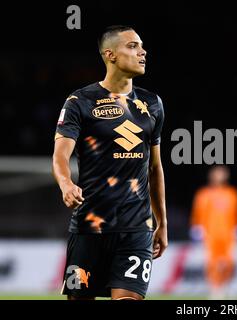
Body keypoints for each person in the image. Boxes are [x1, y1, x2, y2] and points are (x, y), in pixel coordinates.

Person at [52, 25, 168, 300]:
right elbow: (60, 155)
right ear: (111, 54)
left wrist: (161, 223)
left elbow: (154, 168)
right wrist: (66, 183)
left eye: (141, 46)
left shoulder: (152, 104)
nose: (143, 52)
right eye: (133, 46)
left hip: (136, 228)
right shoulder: (79, 101)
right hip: (89, 228)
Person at [190, 165, 237, 299]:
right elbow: (198, 213)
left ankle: (226, 287)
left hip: (228, 235)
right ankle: (215, 291)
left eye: (222, 173)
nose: (219, 176)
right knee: (212, 263)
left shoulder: (232, 194)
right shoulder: (204, 194)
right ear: (211, 176)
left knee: (230, 262)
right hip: (211, 235)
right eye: (217, 173)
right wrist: (197, 228)